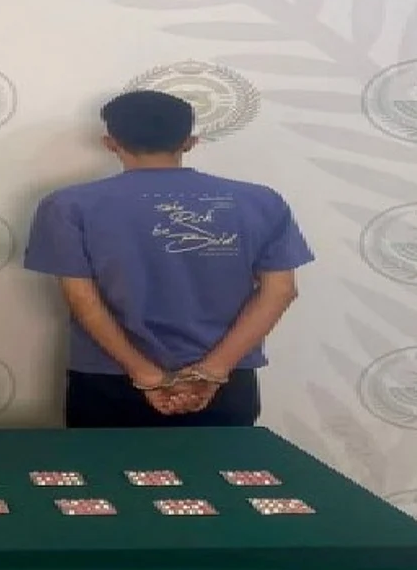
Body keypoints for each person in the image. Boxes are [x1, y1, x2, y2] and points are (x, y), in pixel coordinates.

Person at [24, 90, 313, 428]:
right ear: (189, 142)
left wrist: (145, 374)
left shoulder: (68, 205)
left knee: (105, 464)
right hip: (225, 379)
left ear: (110, 142)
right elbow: (281, 291)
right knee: (219, 464)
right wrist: (213, 370)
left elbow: (81, 298)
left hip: (109, 378)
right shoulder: (261, 202)